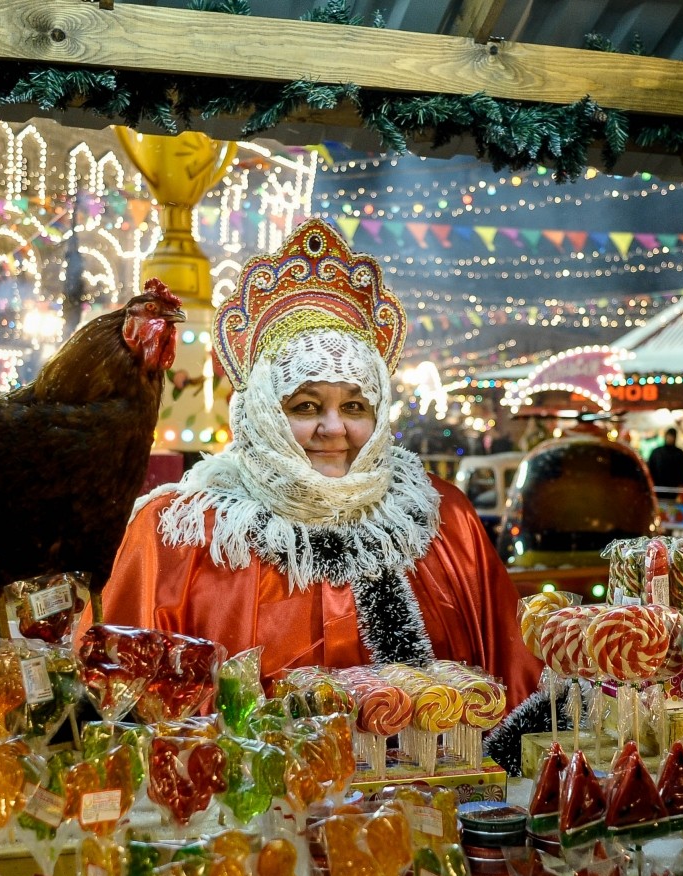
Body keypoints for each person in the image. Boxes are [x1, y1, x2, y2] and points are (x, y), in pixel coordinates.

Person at [102, 219, 541, 706]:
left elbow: (514, 689)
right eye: (305, 406)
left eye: (354, 407)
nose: (334, 429)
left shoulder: (443, 520)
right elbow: (125, 711)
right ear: (263, 411)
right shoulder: (182, 534)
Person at [646, 427, 683, 493]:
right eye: (669, 436)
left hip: (674, 489)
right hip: (658, 487)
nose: (670, 438)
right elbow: (650, 468)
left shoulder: (679, 453)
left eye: (672, 436)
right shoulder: (656, 452)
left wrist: (681, 483)